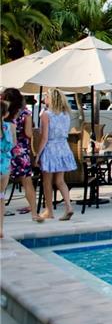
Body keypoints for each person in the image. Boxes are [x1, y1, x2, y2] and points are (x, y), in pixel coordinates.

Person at [2, 89, 43, 223]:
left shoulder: (3, 112)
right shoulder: (25, 113)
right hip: (20, 151)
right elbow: (29, 133)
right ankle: (34, 213)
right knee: (27, 183)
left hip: (4, 152)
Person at [36, 88, 76, 221]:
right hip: (63, 147)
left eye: (46, 96)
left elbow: (44, 137)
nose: (44, 99)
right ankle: (68, 206)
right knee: (60, 181)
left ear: (50, 99)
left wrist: (37, 155)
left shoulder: (46, 115)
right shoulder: (66, 114)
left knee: (47, 181)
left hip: (50, 148)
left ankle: (49, 210)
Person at [0, 100, 13, 237]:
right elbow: (10, 146)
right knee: (1, 197)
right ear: (5, 114)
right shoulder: (7, 127)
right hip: (4, 166)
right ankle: (0, 229)